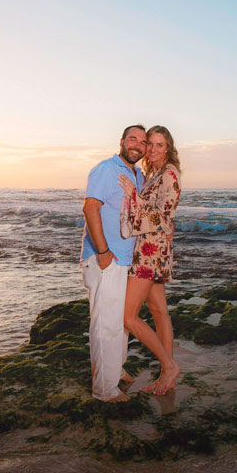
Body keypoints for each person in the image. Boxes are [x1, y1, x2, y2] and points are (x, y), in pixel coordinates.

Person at [81, 124, 147, 402]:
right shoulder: (106, 169)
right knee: (105, 323)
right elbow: (90, 208)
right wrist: (103, 251)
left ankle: (115, 371)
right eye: (132, 138)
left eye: (143, 142)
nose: (137, 145)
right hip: (105, 258)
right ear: (122, 141)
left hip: (125, 259)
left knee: (119, 321)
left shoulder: (138, 175)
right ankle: (104, 390)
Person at [118, 125, 182, 395]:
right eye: (150, 144)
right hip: (153, 249)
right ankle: (165, 378)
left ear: (168, 148)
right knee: (158, 312)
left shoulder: (169, 173)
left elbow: (163, 214)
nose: (153, 150)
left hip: (150, 253)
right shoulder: (153, 174)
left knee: (128, 316)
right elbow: (165, 219)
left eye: (159, 145)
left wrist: (133, 193)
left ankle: (168, 367)